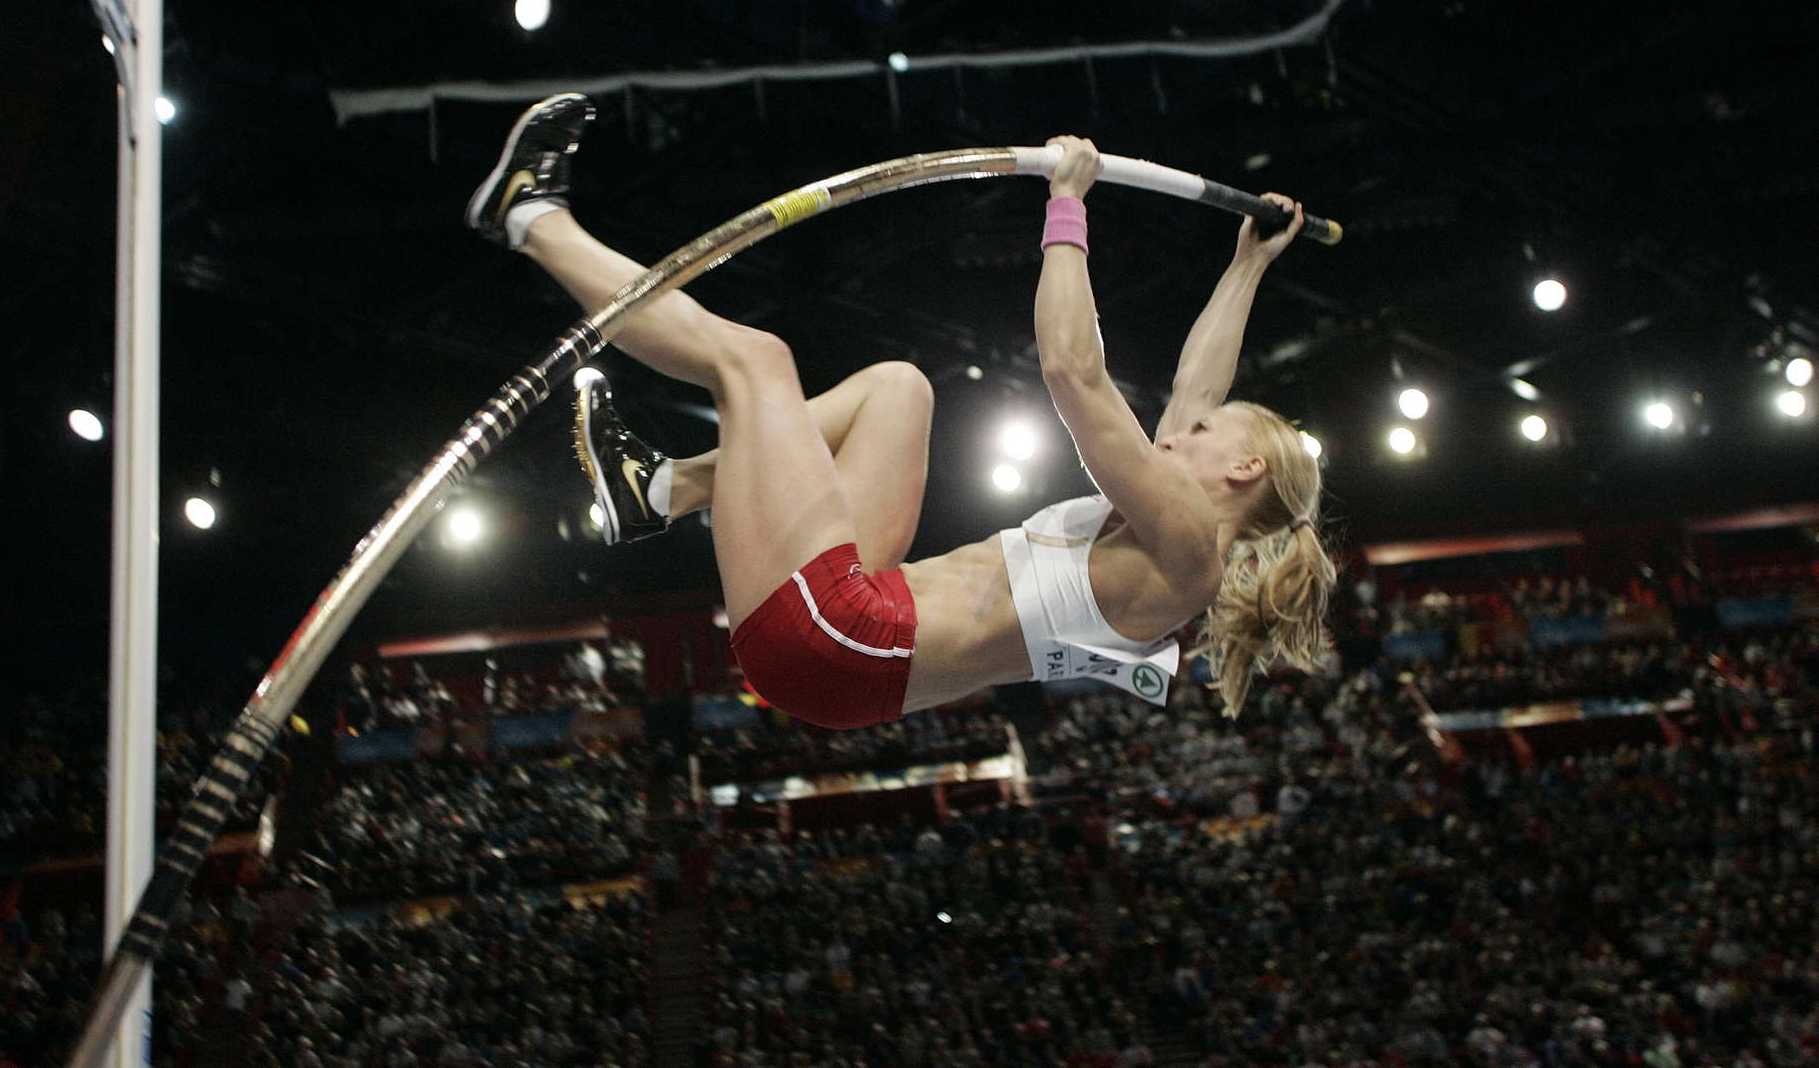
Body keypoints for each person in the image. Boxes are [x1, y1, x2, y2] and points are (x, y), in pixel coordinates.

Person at [464, 94, 1336, 728]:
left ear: (1245, 469)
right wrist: (1247, 267)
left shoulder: (1187, 545)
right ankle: (660, 489)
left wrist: (1067, 203)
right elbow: (1197, 389)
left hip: (843, 645)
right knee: (898, 388)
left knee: (754, 362)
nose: (1182, 430)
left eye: (1207, 433)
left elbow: (1072, 370)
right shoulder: (1178, 530)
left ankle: (530, 215)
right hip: (865, 627)